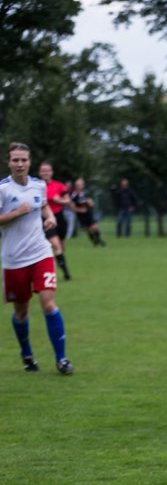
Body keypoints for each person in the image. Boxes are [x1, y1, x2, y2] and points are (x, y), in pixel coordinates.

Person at [1, 142, 72, 374]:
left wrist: (49, 217)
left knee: (48, 304)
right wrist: (15, 213)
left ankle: (62, 359)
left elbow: (44, 207)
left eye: (24, 160)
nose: (20, 164)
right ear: (8, 162)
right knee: (21, 312)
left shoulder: (38, 186)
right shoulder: (3, 189)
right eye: (15, 160)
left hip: (41, 253)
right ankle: (27, 354)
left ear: (29, 162)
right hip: (14, 259)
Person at [37, 162, 71, 280]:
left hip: (60, 218)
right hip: (46, 219)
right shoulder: (36, 186)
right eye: (43, 170)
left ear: (51, 172)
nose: (45, 172)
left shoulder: (59, 186)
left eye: (47, 170)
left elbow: (68, 200)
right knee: (56, 245)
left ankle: (58, 267)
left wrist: (59, 200)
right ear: (39, 173)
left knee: (61, 247)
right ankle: (66, 273)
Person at [69, 178, 106, 247]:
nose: (79, 186)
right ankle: (94, 242)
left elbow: (91, 202)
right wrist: (80, 209)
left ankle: (98, 240)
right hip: (80, 215)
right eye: (78, 184)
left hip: (88, 213)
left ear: (83, 185)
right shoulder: (73, 195)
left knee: (95, 227)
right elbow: (71, 207)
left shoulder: (86, 193)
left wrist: (90, 203)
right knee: (88, 229)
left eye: (80, 184)